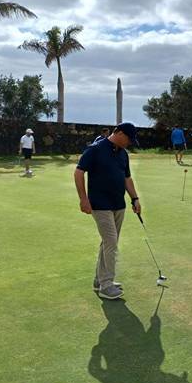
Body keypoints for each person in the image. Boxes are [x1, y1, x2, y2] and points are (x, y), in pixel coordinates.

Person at [74, 122, 141, 300]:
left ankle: (99, 280)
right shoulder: (95, 149)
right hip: (100, 204)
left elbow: (127, 178)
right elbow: (79, 172)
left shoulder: (123, 154)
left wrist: (135, 198)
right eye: (128, 138)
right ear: (118, 132)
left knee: (107, 243)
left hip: (119, 204)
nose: (129, 143)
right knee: (111, 242)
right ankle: (107, 285)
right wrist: (83, 199)